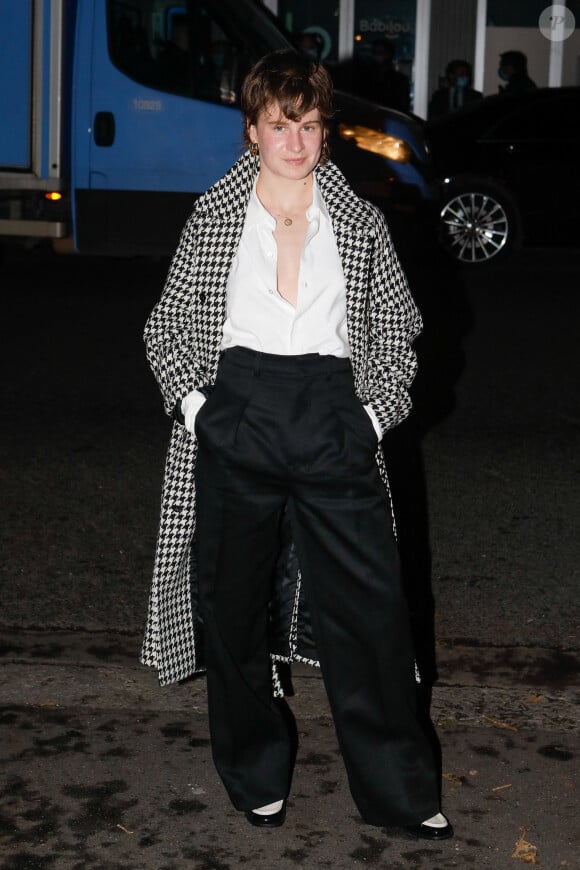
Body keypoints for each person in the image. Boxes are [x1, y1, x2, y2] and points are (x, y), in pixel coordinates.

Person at [141, 48, 453, 840]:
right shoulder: (214, 217)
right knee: (233, 608)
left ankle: (400, 792)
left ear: (324, 131)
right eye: (280, 125)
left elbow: (396, 334)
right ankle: (254, 773)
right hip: (237, 416)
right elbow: (168, 329)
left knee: (372, 615)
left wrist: (372, 419)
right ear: (252, 131)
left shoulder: (358, 222)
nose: (296, 141)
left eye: (309, 124)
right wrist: (199, 410)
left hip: (331, 418)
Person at [360, 39, 410, 113]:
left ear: (390, 55)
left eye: (381, 53)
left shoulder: (399, 80)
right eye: (375, 53)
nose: (378, 56)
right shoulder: (365, 78)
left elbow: (403, 107)